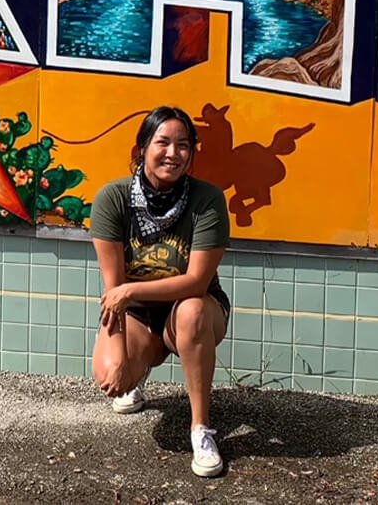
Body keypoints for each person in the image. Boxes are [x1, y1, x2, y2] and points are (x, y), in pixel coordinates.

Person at [89, 106, 230, 478]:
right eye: (163, 142)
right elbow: (113, 290)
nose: (173, 153)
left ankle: (201, 429)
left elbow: (197, 281)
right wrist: (119, 358)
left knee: (192, 312)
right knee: (109, 375)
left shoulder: (208, 200)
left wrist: (128, 290)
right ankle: (142, 368)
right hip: (137, 312)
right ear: (141, 149)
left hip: (194, 307)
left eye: (183, 145)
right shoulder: (113, 198)